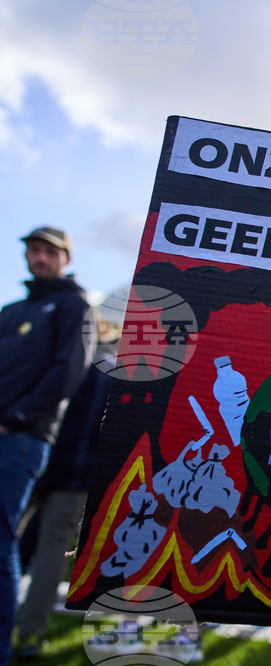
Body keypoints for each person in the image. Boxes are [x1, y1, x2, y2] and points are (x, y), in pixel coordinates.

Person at [0, 227, 93, 665]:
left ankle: (26, 637)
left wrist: (16, 419)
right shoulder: (16, 311)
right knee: (10, 544)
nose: (38, 258)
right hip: (32, 447)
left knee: (38, 551)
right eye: (32, 251)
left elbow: (65, 378)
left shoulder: (75, 310)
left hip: (47, 453)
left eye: (48, 252)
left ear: (65, 258)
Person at [12, 314, 117, 660]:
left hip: (34, 458)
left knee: (11, 540)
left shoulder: (63, 358)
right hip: (75, 475)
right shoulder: (114, 375)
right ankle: (30, 634)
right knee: (50, 554)